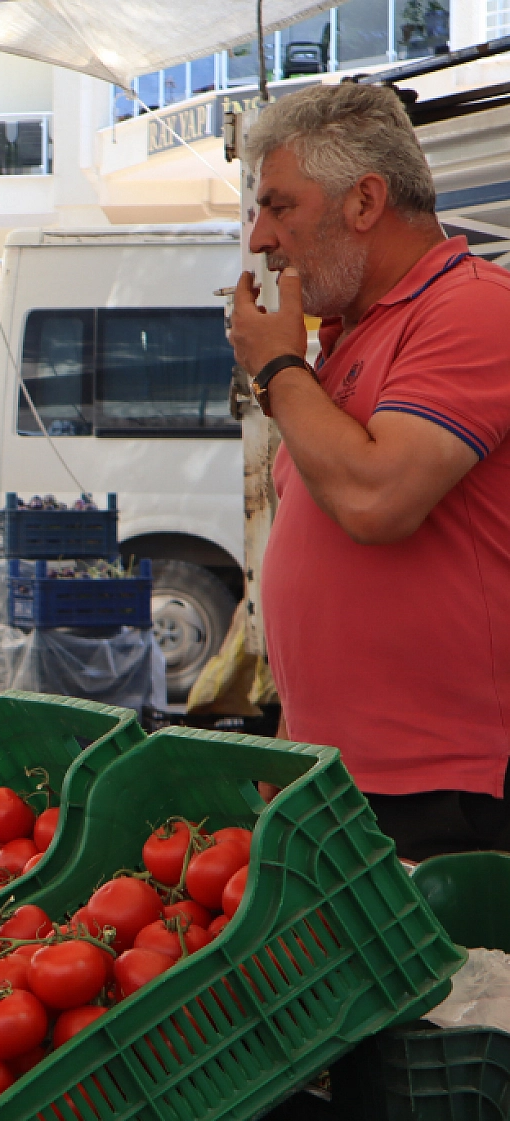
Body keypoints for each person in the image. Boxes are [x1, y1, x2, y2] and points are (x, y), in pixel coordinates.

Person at [228, 83, 510, 860]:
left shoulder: (473, 309)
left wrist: (278, 364)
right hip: (343, 779)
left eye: (279, 207)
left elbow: (378, 500)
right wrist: (288, 751)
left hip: (450, 793)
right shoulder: (353, 337)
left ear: (364, 201)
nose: (259, 240)